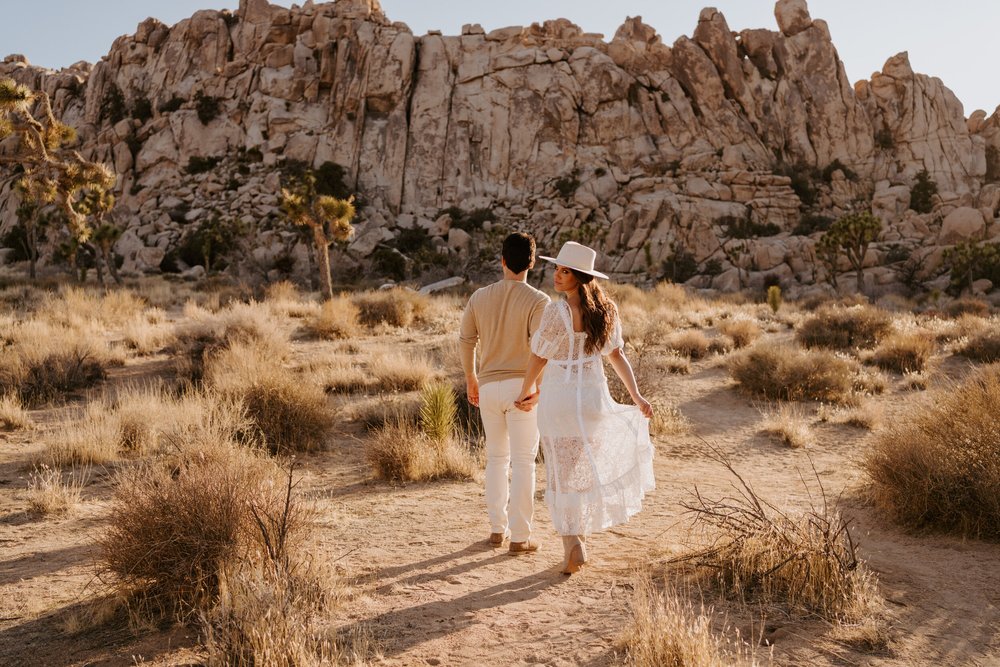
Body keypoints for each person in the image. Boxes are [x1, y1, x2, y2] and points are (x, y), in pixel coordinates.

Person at [515, 241, 655, 574]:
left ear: (579, 277)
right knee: (575, 473)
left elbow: (539, 356)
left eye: (564, 271)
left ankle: (573, 545)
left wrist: (526, 390)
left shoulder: (555, 312)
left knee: (561, 476)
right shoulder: (606, 312)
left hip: (560, 400)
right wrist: (636, 396)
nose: (557, 276)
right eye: (556, 269)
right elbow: (616, 355)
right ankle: (577, 540)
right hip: (591, 400)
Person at [460, 232, 550, 554]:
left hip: (488, 386)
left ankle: (497, 530)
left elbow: (466, 340)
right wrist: (538, 388)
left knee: (496, 458)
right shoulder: (539, 301)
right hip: (521, 386)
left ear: (501, 260)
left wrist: (471, 377)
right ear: (532, 262)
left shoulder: (479, 298)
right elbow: (542, 349)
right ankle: (521, 537)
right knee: (524, 461)